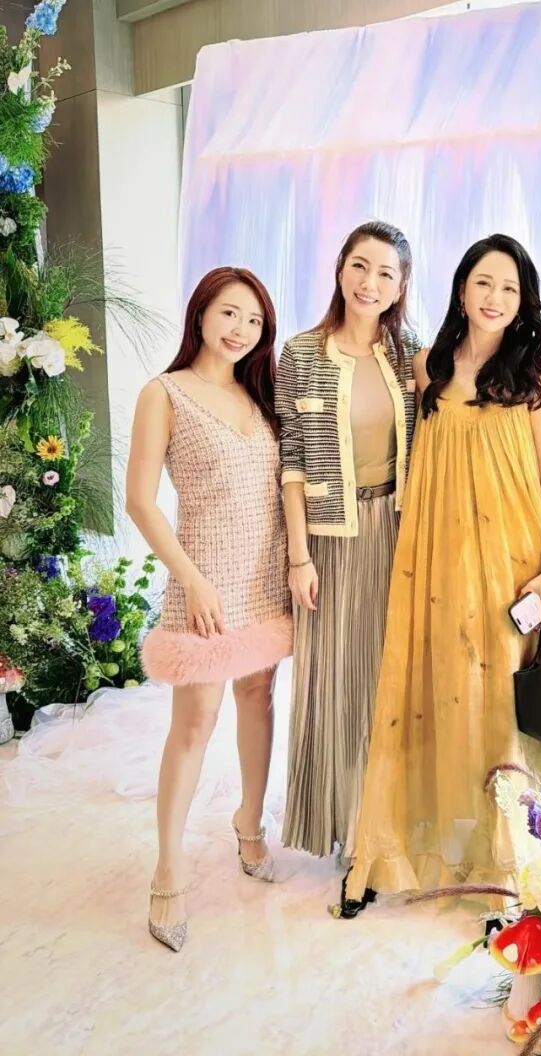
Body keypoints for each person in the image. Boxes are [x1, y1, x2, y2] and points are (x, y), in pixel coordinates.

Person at [340, 233, 541, 915]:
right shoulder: (427, 367)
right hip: (437, 551)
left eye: (508, 286)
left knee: (499, 696)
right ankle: (398, 844)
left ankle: (509, 861)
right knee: (437, 683)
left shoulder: (536, 374)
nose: (494, 297)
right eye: (483, 282)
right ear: (461, 289)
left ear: (523, 298)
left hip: (512, 554)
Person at [130, 267, 292, 952]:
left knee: (259, 698)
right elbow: (140, 500)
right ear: (201, 314)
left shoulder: (262, 396)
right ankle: (168, 867)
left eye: (253, 321)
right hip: (205, 583)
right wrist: (191, 580)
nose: (240, 330)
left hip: (267, 579)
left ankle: (249, 824)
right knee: (194, 725)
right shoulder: (164, 393)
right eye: (229, 314)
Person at [276, 222, 417, 860]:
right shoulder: (301, 353)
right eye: (360, 267)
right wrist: (299, 556)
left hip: (398, 531)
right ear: (340, 270)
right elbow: (293, 463)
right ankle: (342, 826)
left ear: (400, 286)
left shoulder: (409, 350)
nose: (370, 283)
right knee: (332, 682)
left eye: (386, 273)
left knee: (391, 682)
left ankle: (385, 827)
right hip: (330, 544)